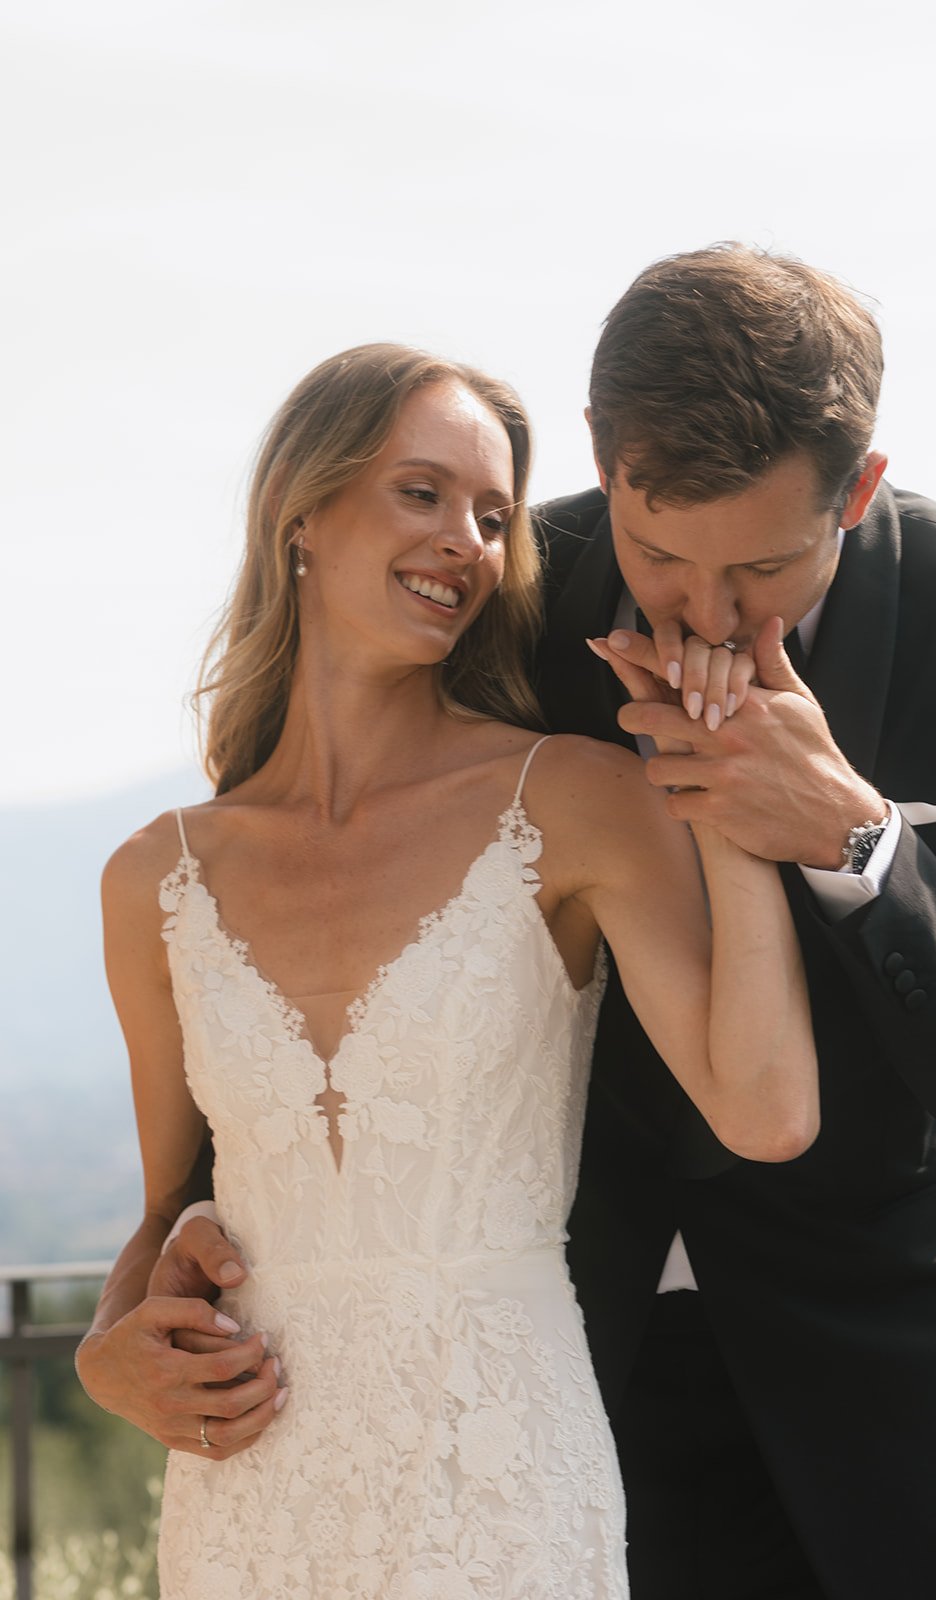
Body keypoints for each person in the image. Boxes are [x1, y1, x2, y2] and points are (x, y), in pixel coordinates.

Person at [81, 246, 936, 1600]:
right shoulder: (505, 587)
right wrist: (126, 1322)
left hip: (887, 1409)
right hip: (551, 1392)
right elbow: (293, 1005)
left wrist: (857, 839)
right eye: (657, 554)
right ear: (600, 456)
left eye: (758, 570)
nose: (703, 613)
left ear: (856, 492)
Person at [82, 342, 821, 1599]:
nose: (467, 542)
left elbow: (766, 1110)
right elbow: (171, 1209)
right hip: (252, 1491)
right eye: (422, 492)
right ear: (300, 511)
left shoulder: (574, 800)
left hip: (499, 1478)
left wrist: (731, 793)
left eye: (494, 516)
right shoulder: (156, 878)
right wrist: (110, 1357)